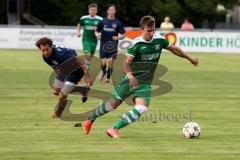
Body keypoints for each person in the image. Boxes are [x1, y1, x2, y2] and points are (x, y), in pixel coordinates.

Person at [83, 15, 198, 138]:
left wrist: (190, 58)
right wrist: (130, 76)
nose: (152, 33)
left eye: (153, 29)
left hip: (145, 83)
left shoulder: (159, 40)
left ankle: (114, 129)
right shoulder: (137, 44)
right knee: (112, 105)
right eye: (149, 30)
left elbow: (174, 49)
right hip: (129, 80)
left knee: (142, 107)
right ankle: (91, 117)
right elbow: (126, 63)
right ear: (142, 29)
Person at [35, 37, 93, 118]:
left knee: (62, 96)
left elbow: (80, 61)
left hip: (76, 71)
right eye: (43, 50)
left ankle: (58, 113)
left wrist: (88, 77)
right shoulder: (45, 56)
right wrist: (59, 77)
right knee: (56, 91)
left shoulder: (60, 56)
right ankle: (82, 89)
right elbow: (54, 66)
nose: (45, 52)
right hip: (64, 69)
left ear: (51, 46)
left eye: (47, 49)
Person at [95, 4, 126, 83]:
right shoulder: (103, 21)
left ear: (115, 11)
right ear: (107, 11)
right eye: (110, 10)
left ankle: (108, 78)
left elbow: (123, 35)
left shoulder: (118, 23)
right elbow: (96, 31)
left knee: (110, 62)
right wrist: (97, 35)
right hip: (103, 44)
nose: (112, 11)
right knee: (103, 62)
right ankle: (103, 71)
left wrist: (118, 37)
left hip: (113, 46)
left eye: (113, 10)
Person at [76, 3, 103, 68]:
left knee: (90, 56)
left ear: (96, 11)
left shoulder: (100, 19)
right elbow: (79, 25)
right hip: (86, 39)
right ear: (89, 10)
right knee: (87, 54)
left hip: (94, 40)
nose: (92, 11)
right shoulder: (84, 18)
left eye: (94, 10)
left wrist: (99, 34)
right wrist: (78, 32)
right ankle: (86, 67)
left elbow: (102, 29)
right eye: (91, 10)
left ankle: (86, 64)